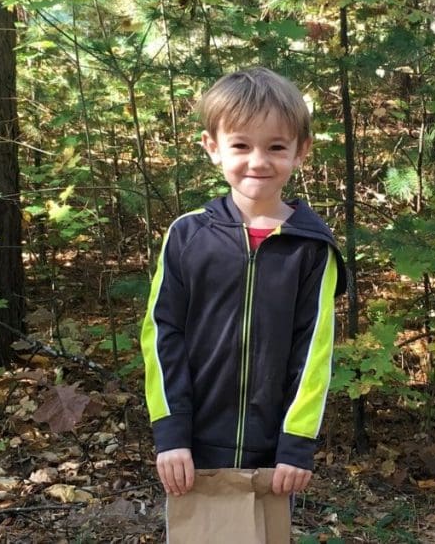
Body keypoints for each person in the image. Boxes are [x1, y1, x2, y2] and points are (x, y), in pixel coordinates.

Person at [141, 67, 346, 500]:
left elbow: (314, 351)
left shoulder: (311, 248)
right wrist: (172, 431)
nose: (258, 161)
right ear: (213, 148)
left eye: (275, 146)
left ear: (301, 150)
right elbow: (162, 335)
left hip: (272, 451)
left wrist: (296, 443)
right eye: (240, 145)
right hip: (193, 445)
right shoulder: (187, 235)